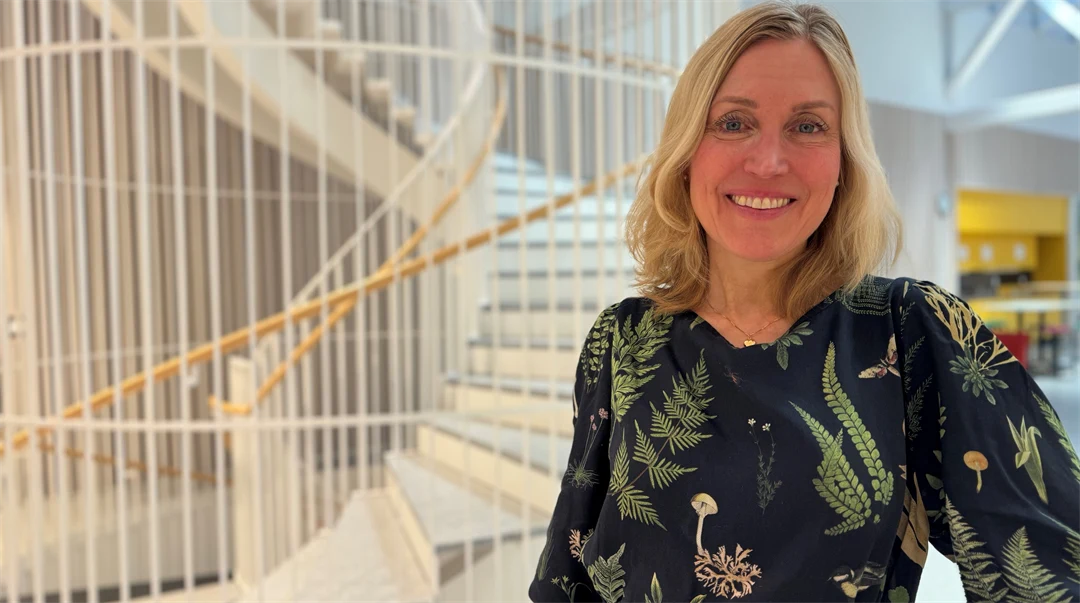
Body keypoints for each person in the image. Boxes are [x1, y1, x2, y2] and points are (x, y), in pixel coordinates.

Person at [528, 2, 1080, 602]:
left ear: (844, 162)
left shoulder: (911, 332)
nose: (769, 161)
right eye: (734, 122)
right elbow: (571, 571)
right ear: (688, 154)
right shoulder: (621, 340)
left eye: (809, 126)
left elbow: (1048, 572)